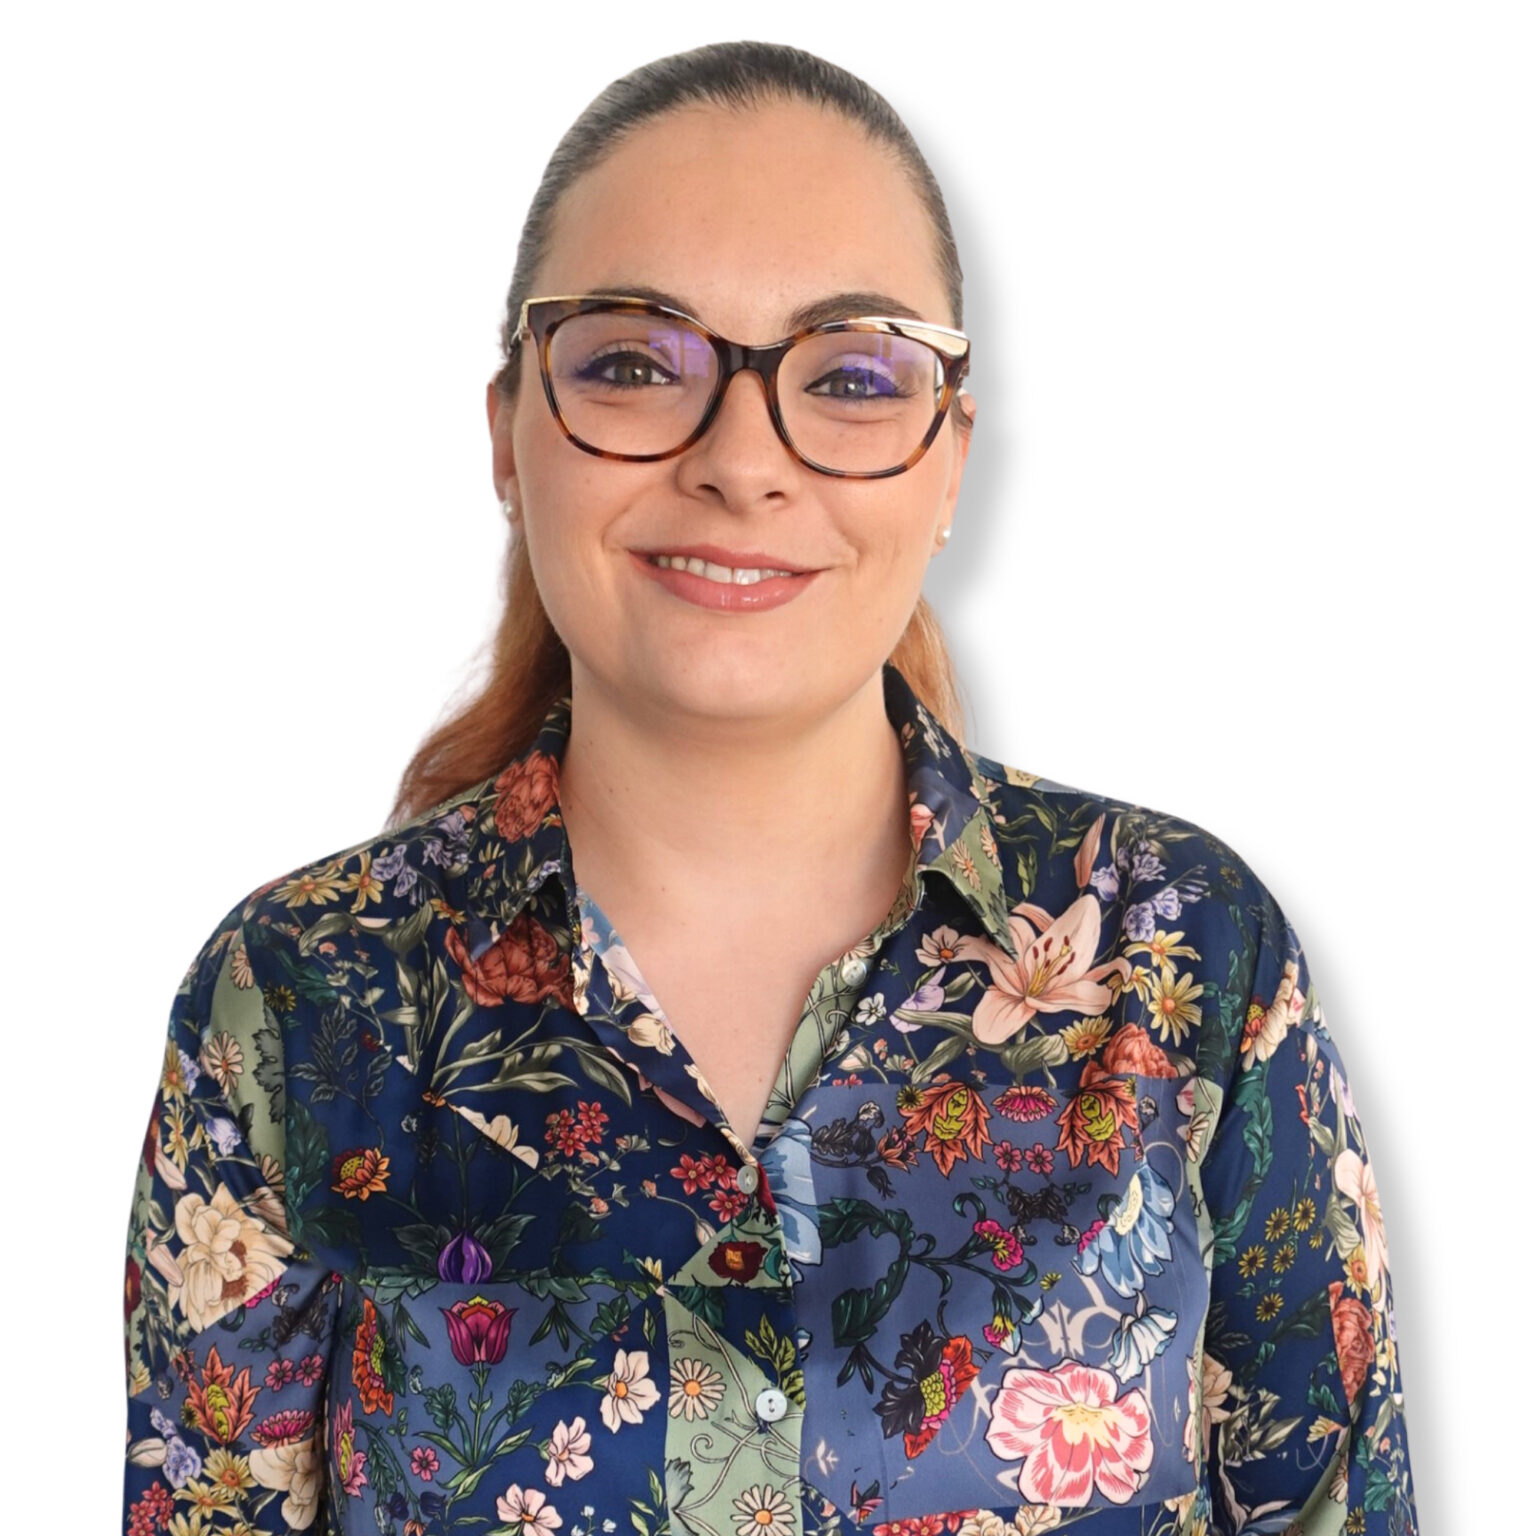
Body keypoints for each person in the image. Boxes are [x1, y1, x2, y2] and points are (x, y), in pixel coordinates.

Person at [120, 40, 1416, 1536]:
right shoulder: (300, 997)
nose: (742, 460)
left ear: (949, 463)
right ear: (508, 437)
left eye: (852, 377)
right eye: (631, 364)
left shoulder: (1185, 953)